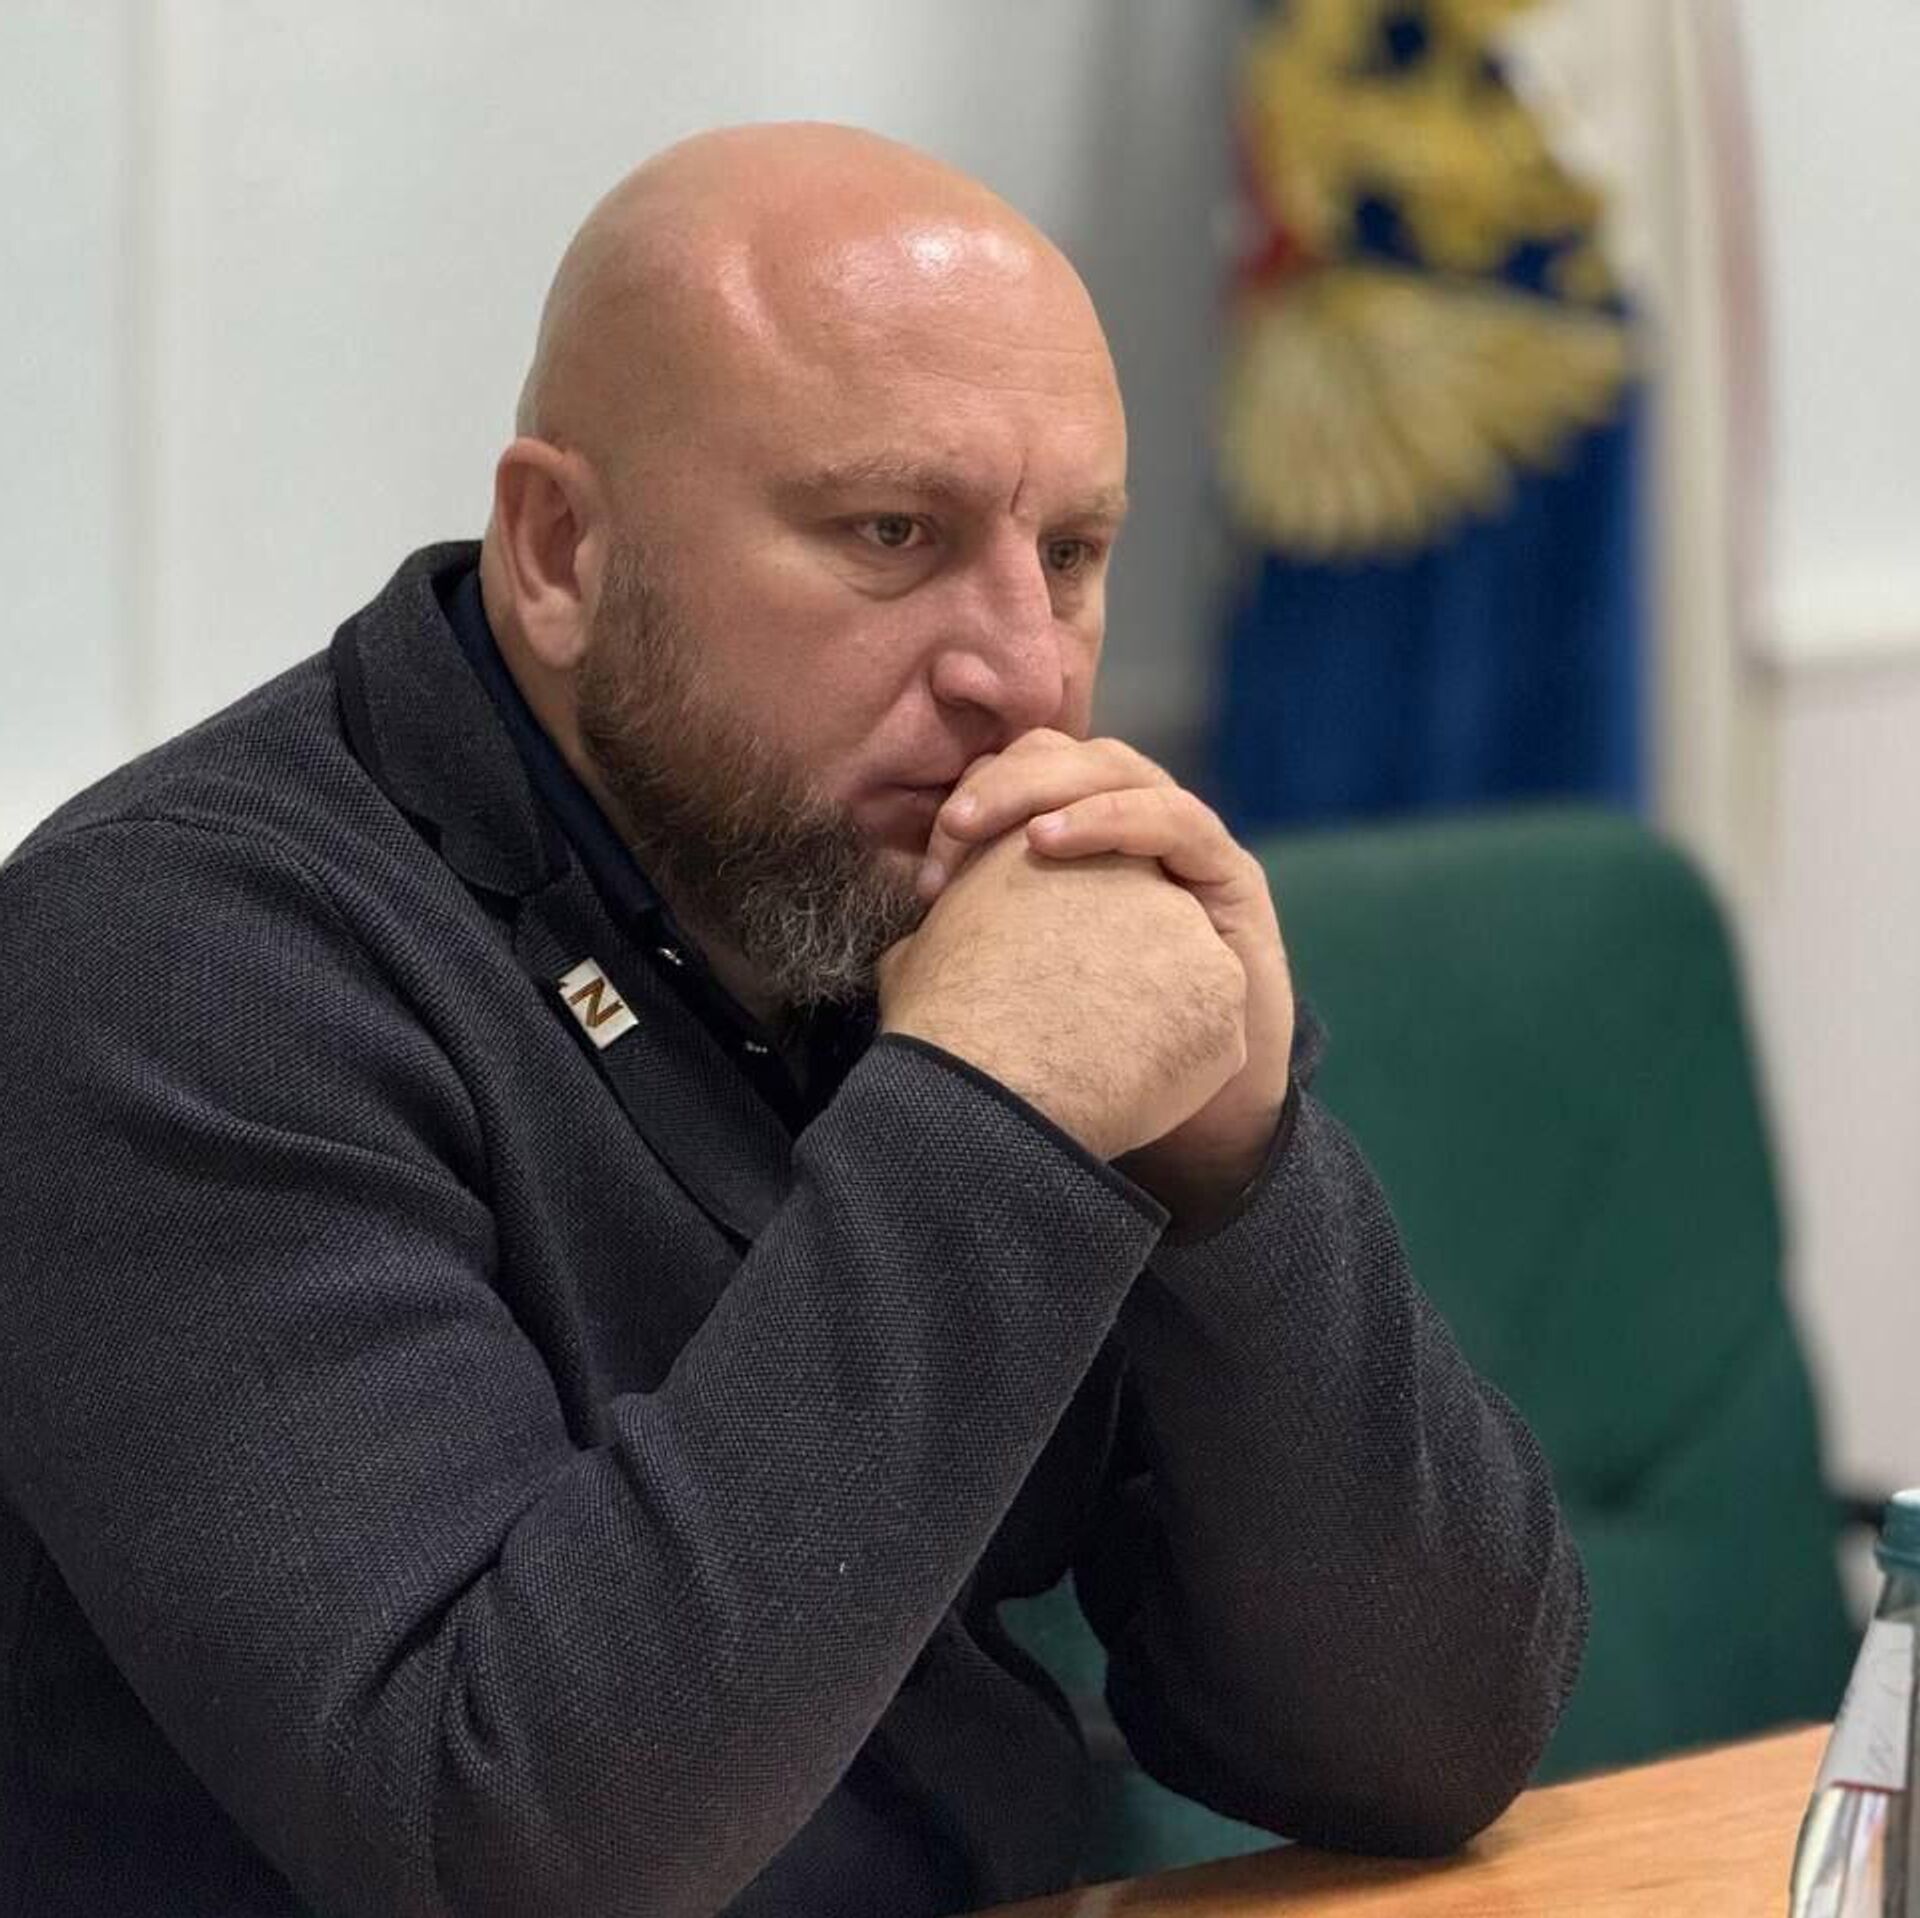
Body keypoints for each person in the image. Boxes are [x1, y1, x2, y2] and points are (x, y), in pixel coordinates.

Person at [0, 124, 1586, 1917]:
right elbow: (497, 1842)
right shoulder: (173, 964)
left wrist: (1237, 1169)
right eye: (892, 535)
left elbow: (1423, 1742)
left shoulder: (885, 866)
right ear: (561, 551)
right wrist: (989, 1109)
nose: (1024, 673)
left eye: (1071, 551)